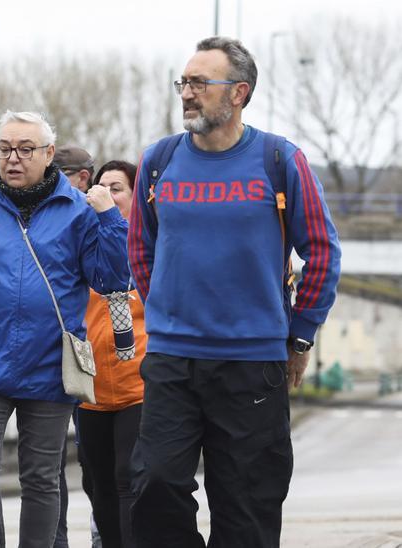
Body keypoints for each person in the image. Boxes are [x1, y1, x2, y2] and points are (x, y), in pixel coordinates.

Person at [128, 37, 341, 547]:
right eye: (184, 82)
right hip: (173, 359)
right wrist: (170, 311)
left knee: (247, 504)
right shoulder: (158, 162)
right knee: (153, 485)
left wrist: (301, 336)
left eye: (201, 83)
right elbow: (141, 250)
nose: (187, 93)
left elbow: (322, 253)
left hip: (252, 367)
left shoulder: (279, 160)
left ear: (239, 93)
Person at [0, 110, 130, 548]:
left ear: (49, 154)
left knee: (41, 476)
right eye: (5, 148)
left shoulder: (78, 211)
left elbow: (111, 280)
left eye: (26, 149)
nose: (13, 158)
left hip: (49, 365)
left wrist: (110, 219)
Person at [77, 160, 147, 548]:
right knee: (97, 483)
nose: (105, 193)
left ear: (135, 197)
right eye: (100, 186)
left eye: (117, 187)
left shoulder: (148, 248)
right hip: (92, 389)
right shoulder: (85, 246)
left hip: (138, 385)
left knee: (128, 477)